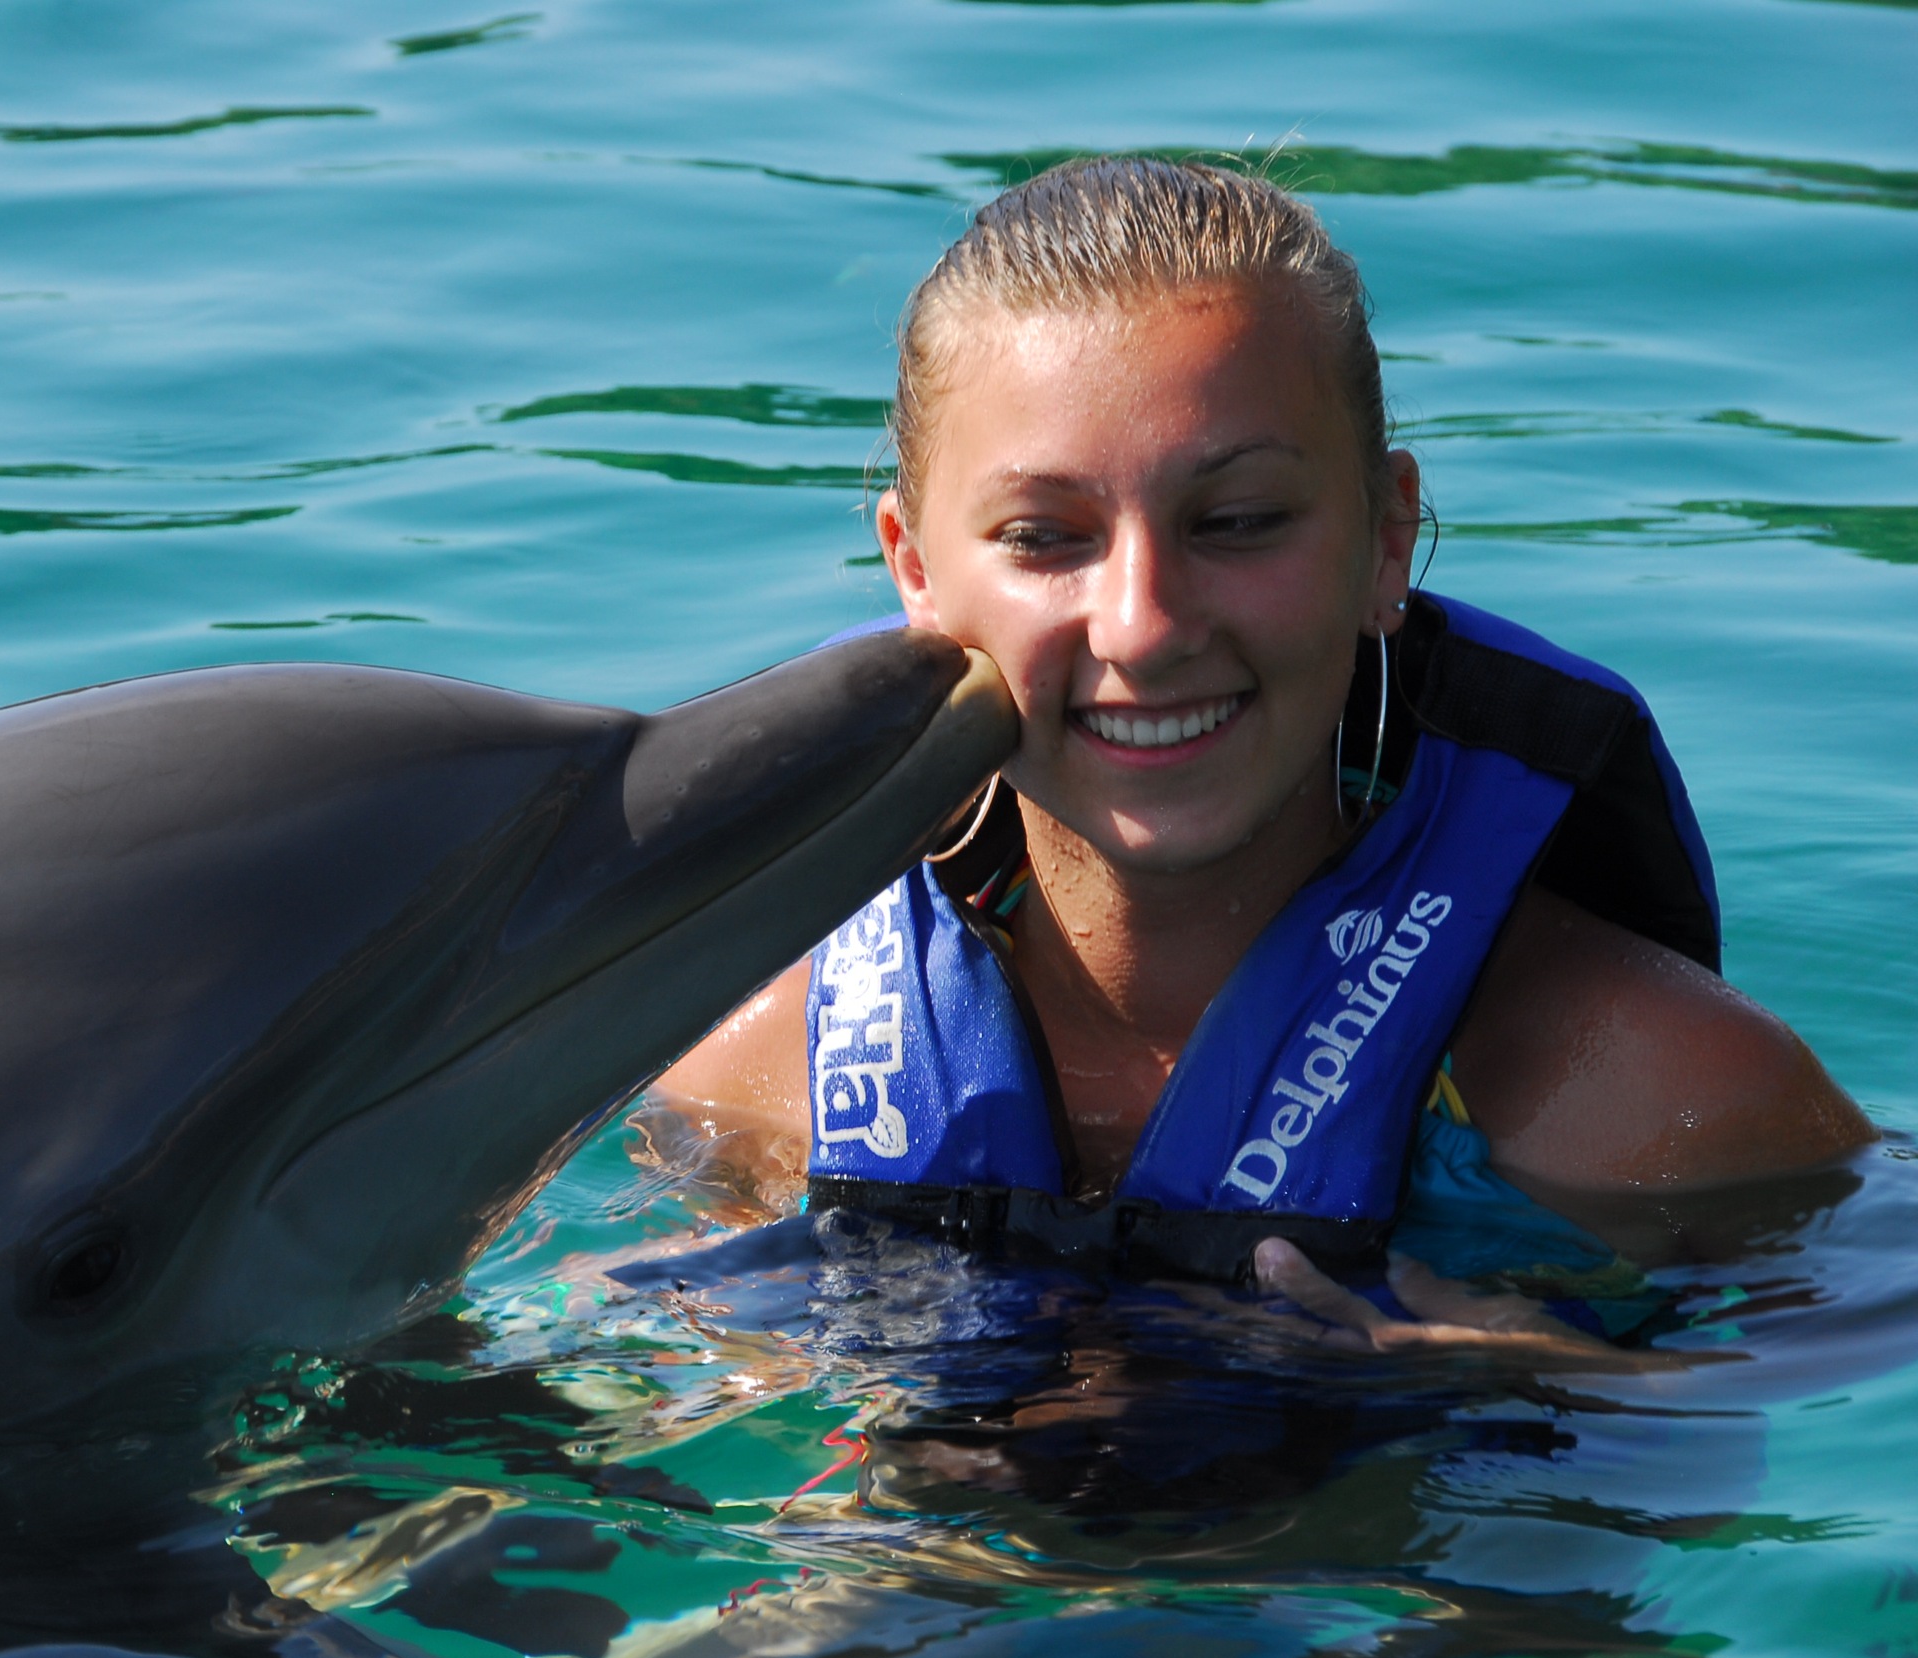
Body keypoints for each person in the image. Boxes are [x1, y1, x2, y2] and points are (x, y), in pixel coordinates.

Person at [649, 156, 1872, 1353]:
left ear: (1386, 539)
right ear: (914, 571)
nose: (1143, 626)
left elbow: (1835, 1374)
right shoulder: (754, 1076)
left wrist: (1568, 1397)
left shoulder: (1664, 1102)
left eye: (1236, 521)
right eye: (1043, 537)